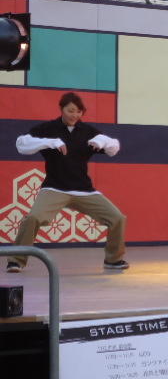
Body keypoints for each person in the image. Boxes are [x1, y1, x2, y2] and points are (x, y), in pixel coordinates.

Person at [6, 92, 128, 273]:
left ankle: (113, 259)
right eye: (70, 111)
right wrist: (50, 142)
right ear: (61, 109)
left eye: (79, 112)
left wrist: (102, 141)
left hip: (84, 190)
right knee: (33, 218)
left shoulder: (87, 131)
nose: (74, 115)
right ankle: (16, 260)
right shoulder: (48, 129)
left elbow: (114, 148)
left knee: (117, 218)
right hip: (54, 188)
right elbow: (21, 144)